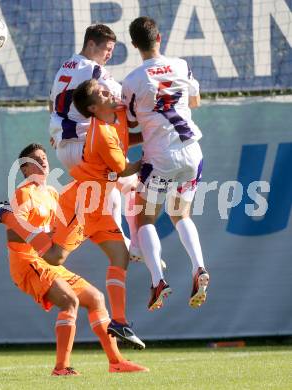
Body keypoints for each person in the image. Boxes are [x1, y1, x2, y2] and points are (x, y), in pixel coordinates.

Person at [0, 143, 148, 375]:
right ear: (26, 169)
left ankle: (116, 362)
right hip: (27, 262)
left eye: (44, 157)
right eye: (36, 160)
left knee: (96, 299)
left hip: (47, 262)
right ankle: (61, 368)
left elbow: (56, 231)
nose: (44, 162)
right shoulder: (23, 193)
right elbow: (12, 232)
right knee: (70, 301)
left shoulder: (51, 193)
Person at [121, 16, 209, 311]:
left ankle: (158, 279)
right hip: (191, 151)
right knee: (181, 214)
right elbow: (194, 101)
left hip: (161, 157)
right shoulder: (182, 66)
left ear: (135, 44)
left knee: (145, 218)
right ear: (159, 37)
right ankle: (199, 267)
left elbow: (130, 122)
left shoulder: (132, 80)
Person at [48, 23, 138, 251]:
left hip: (64, 147)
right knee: (128, 183)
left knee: (114, 190)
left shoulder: (63, 69)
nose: (110, 54)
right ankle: (129, 243)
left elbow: (52, 104)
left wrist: (57, 131)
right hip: (83, 145)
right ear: (90, 44)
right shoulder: (93, 70)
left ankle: (125, 243)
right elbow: (121, 98)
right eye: (107, 48)